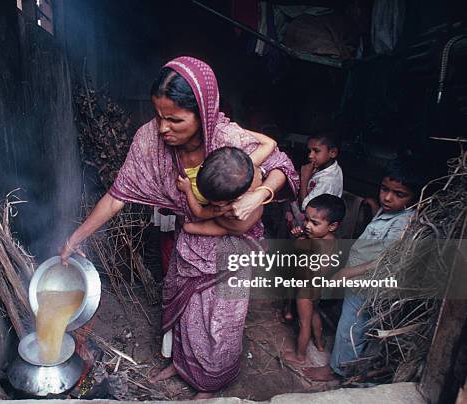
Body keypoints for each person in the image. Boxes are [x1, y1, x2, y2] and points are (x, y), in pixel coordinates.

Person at [60, 56, 299, 398]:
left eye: (175, 119)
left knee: (219, 323)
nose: (162, 128)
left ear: (203, 113)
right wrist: (74, 239)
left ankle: (210, 384)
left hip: (232, 247)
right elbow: (116, 197)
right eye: (158, 116)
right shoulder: (148, 142)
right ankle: (183, 365)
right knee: (185, 313)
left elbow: (281, 166)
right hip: (190, 240)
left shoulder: (227, 136)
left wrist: (259, 194)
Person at [303, 158, 422, 381]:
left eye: (399, 194)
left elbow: (388, 259)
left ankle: (338, 370)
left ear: (414, 196)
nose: (388, 197)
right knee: (353, 322)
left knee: (352, 327)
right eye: (384, 189)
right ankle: (350, 364)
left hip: (367, 285)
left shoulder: (403, 223)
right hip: (358, 280)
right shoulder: (390, 210)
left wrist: (346, 273)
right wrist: (374, 208)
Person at [284, 194, 346, 365]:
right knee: (314, 315)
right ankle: (319, 344)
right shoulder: (329, 240)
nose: (307, 226)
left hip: (306, 289)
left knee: (304, 324)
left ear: (332, 226)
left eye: (315, 223)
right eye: (306, 220)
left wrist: (300, 242)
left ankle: (300, 356)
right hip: (317, 290)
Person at [176, 146, 275, 236]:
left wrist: (188, 189)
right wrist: (235, 126)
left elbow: (200, 212)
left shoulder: (223, 209)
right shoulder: (250, 171)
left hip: (230, 228)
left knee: (188, 227)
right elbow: (270, 143)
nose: (208, 200)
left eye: (212, 200)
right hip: (256, 214)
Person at [299, 133, 343, 211]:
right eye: (309, 151)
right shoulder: (325, 166)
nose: (310, 156)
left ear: (333, 153)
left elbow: (305, 208)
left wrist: (304, 179)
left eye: (316, 151)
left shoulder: (328, 180)